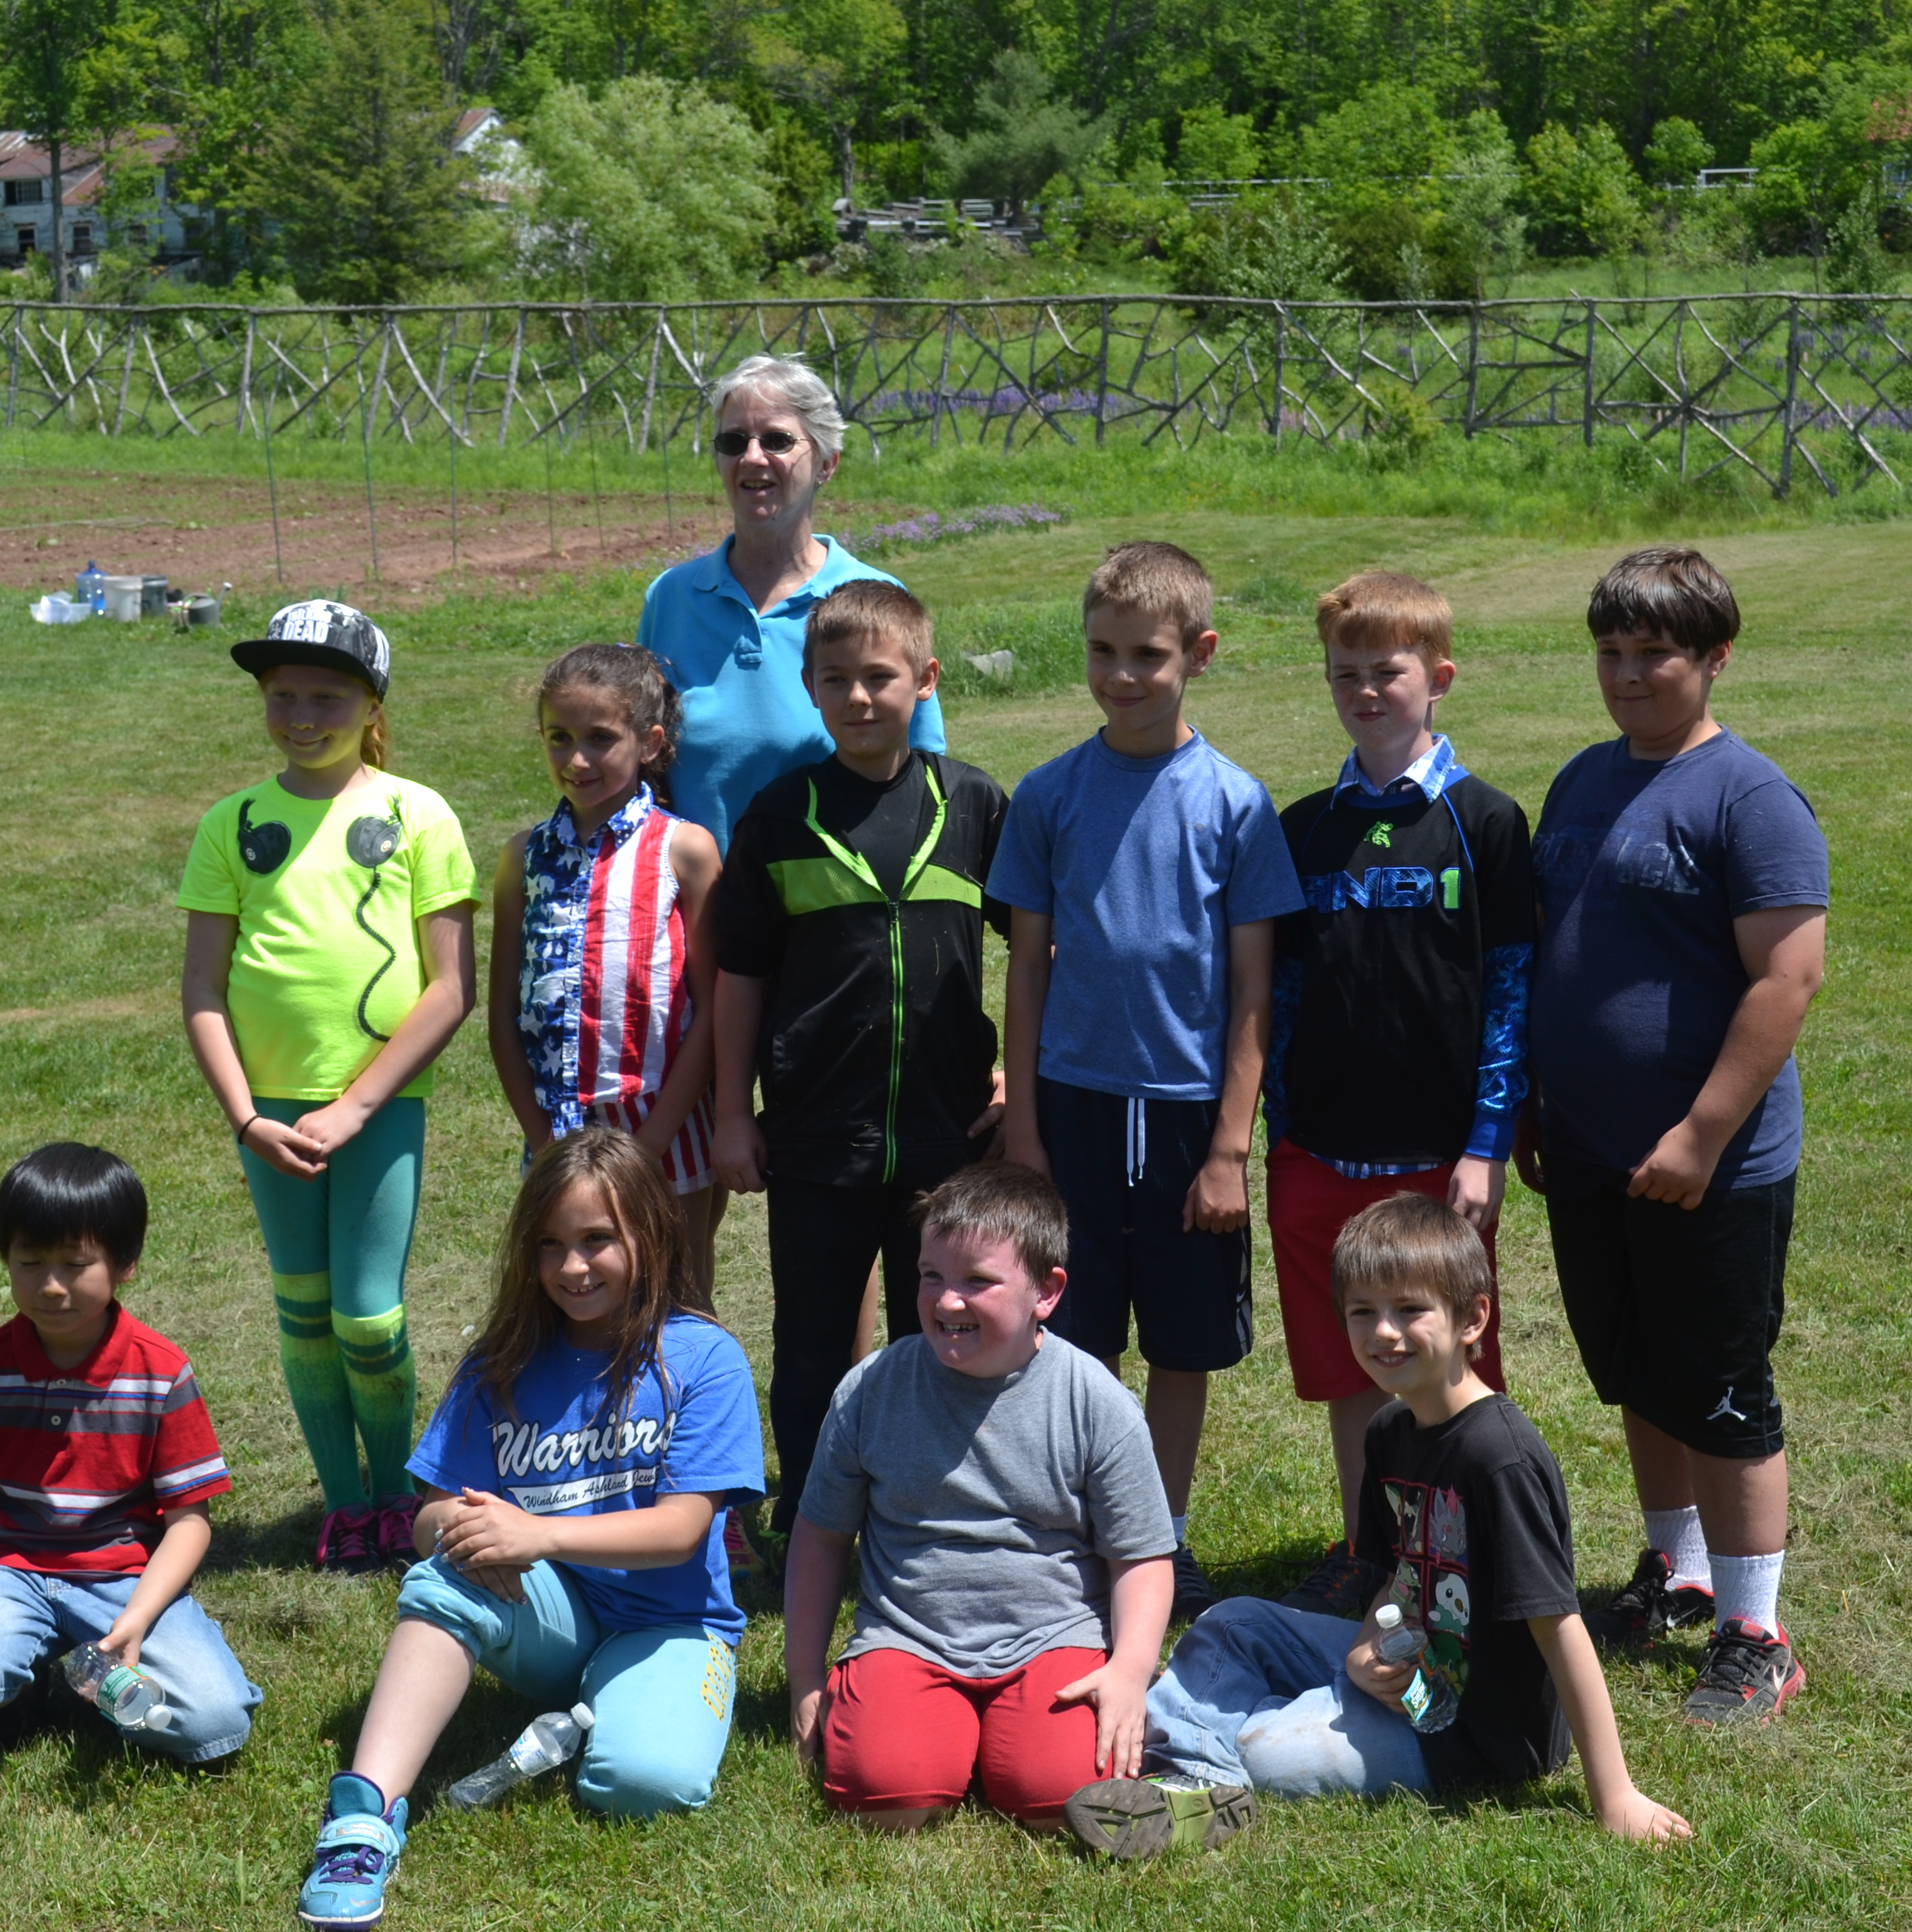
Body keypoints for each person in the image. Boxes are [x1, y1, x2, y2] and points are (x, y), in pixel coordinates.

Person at [1062, 1193, 1692, 1858]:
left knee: (1266, 1749)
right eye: (1363, 1312)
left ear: (1474, 1317)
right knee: (1231, 1622)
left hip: (1470, 1731)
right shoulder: (1390, 1429)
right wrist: (1364, 1652)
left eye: (1409, 1310)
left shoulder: (1499, 1458)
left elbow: (1560, 1629)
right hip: (1405, 1668)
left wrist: (1614, 1793)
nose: (1384, 1332)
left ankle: (1204, 1767)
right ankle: (1191, 1767)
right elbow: (1397, 1577)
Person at [296, 1130, 764, 1931]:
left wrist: (537, 1533)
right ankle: (364, 1816)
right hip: (549, 1611)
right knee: (448, 1571)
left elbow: (682, 1531)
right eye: (550, 1246)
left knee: (641, 1786)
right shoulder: (503, 1360)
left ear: (649, 1235)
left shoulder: (701, 1356)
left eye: (596, 1241)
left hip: (672, 1621)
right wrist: (463, 1527)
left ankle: (618, 1711)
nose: (572, 1268)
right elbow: (431, 1512)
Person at [1514, 545, 1828, 1725]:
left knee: (1720, 1385)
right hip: (1594, 1151)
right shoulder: (1581, 782)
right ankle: (1676, 1571)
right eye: (1610, 651)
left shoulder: (1749, 798)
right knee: (1637, 1372)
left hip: (1710, 1164)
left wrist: (1699, 1133)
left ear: (1713, 658)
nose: (1628, 674)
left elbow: (1785, 980)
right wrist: (1545, 1102)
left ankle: (1756, 1627)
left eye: (1654, 653)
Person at [989, 540, 1305, 1622]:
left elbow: (1253, 991)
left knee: (1180, 1341)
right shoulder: (1048, 796)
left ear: (1198, 655)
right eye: (1103, 653)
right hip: (1072, 1104)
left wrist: (1228, 1145)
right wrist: (1023, 1127)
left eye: (1148, 656)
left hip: (1183, 1121)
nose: (1122, 677)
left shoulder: (1234, 803)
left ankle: (1159, 1540)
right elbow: (1024, 967)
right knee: (1071, 1339)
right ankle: (1079, 1532)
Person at [181, 600, 479, 1574]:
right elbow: (202, 989)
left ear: (371, 702)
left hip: (379, 1108)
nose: (302, 713)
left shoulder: (417, 814)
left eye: (327, 694)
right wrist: (246, 1118)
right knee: (301, 1310)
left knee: (367, 1315)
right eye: (282, 695)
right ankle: (345, 1504)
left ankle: (397, 1494)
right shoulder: (232, 824)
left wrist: (355, 1105)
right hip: (268, 1116)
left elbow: (450, 988)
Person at [710, 580, 1010, 1545]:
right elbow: (742, 976)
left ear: (924, 681)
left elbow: (1034, 948)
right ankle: (811, 1515)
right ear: (808, 685)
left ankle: (935, 1515)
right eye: (835, 679)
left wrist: (1013, 1070)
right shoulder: (780, 815)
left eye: (880, 678)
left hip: (946, 1137)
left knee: (943, 1335)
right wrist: (730, 1110)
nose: (859, 698)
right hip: (814, 1141)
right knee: (808, 1346)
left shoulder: (971, 804)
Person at [1262, 570, 1535, 1621]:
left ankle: (1472, 1562)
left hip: (1438, 1155)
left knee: (1448, 1362)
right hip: (1321, 1154)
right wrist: (1283, 1140)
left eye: (1388, 671)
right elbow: (1278, 997)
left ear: (1440, 678)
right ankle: (1370, 1547)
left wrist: (1487, 1143)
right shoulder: (1303, 829)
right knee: (1346, 1368)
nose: (1365, 690)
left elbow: (1510, 990)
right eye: (1345, 673)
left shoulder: (1485, 822)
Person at [784, 1162, 1176, 1835]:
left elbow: (1142, 1557)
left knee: (1067, 1799)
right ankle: (932, 1739)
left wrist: (1131, 1671)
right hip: (908, 1634)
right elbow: (820, 1537)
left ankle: (1012, 1747)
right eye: (931, 1276)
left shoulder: (1095, 1402)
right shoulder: (871, 1389)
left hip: (1052, 1637)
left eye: (978, 1282)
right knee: (887, 1794)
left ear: (1047, 1292)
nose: (946, 1301)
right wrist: (804, 1679)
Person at [0, 1143, 262, 1764]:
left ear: (125, 1263)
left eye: (75, 1264)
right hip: (7, 1571)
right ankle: (32, 1673)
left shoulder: (161, 1372)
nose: (50, 1286)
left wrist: (138, 1620)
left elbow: (189, 1523)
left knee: (216, 1727)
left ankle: (75, 1674)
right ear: (5, 1259)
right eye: (29, 1261)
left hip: (125, 1580)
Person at [489, 643, 727, 1302]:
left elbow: (714, 1011)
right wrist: (543, 1144)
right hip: (559, 1136)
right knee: (572, 1306)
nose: (578, 759)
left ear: (650, 742)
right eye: (559, 739)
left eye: (601, 738)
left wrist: (650, 1146)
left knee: (675, 1305)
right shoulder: (522, 858)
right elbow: (504, 1016)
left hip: (668, 1138)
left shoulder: (686, 851)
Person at [635, 353, 945, 853]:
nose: (753, 457)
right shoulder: (671, 598)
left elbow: (923, 771)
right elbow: (642, 761)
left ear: (827, 463)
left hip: (834, 908)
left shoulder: (872, 600)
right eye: (734, 442)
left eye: (777, 441)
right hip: (700, 911)